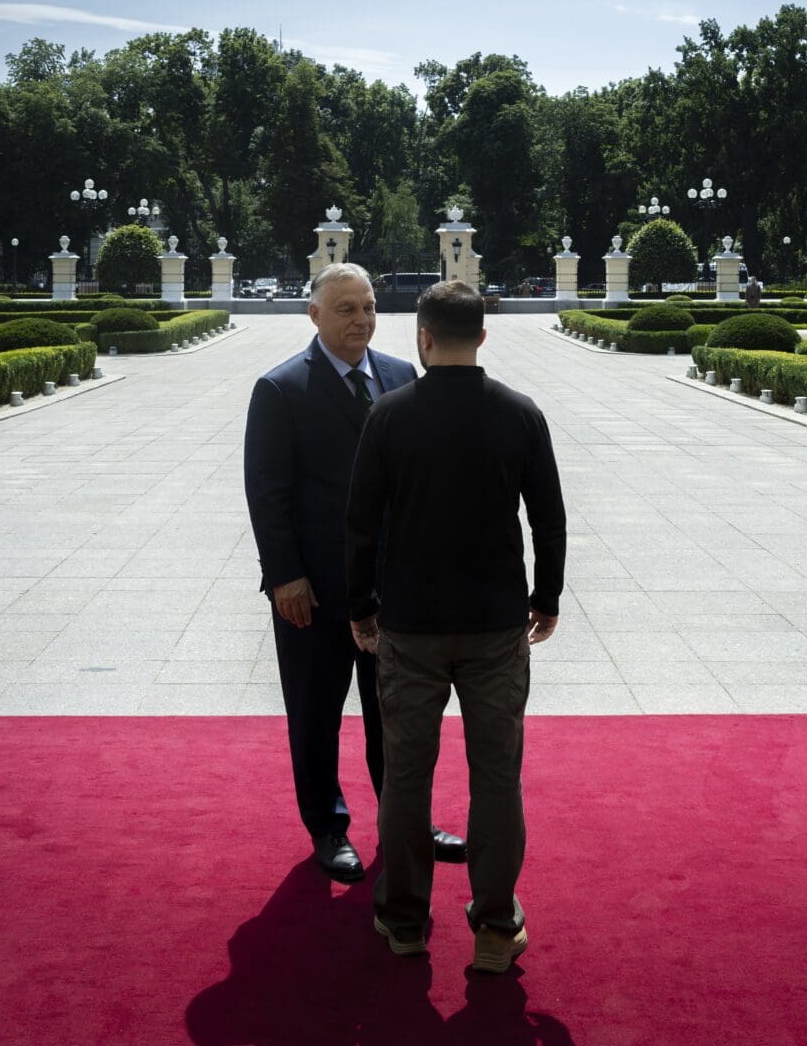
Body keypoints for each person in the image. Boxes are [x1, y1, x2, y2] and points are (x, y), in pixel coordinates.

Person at [346, 279, 567, 974]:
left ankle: (406, 920)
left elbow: (358, 526)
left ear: (422, 335)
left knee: (407, 776)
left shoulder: (388, 415)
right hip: (496, 622)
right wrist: (547, 596)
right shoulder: (520, 414)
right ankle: (496, 926)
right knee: (497, 777)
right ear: (483, 335)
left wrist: (359, 606)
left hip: (409, 624)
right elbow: (550, 518)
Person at [243, 262, 466, 883]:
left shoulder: (399, 376)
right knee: (315, 714)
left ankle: (406, 821)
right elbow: (267, 492)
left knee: (396, 715)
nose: (361, 320)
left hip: (392, 589)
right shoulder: (282, 387)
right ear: (313, 315)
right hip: (311, 592)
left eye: (368, 307)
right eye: (346, 310)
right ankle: (327, 826)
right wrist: (284, 575)